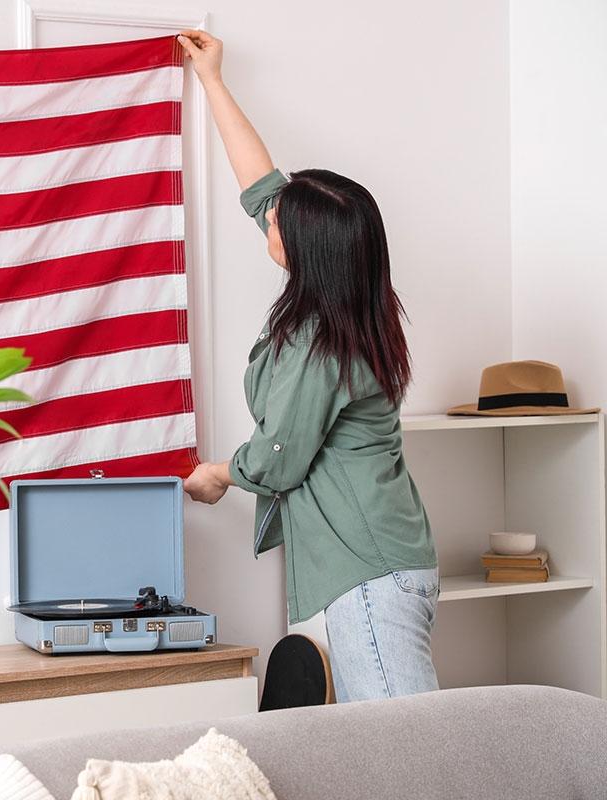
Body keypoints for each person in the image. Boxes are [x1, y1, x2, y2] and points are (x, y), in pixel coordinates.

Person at [177, 29, 440, 703]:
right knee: (383, 744)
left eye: (277, 224)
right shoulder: (354, 307)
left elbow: (278, 455)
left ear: (306, 249)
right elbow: (261, 185)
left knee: (410, 749)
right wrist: (212, 80)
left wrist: (218, 474)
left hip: (370, 577)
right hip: (379, 565)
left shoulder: (321, 341)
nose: (267, 221)